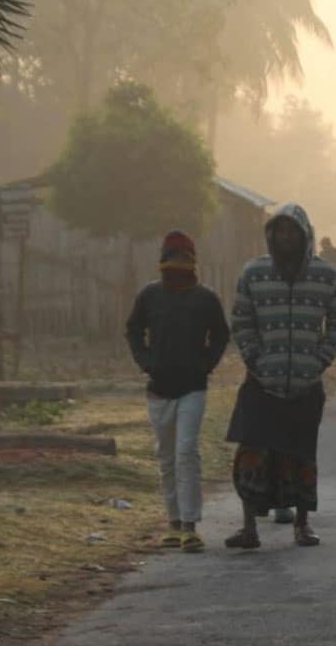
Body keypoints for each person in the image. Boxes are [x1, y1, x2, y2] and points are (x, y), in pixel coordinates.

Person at [225, 204, 336, 549]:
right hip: (260, 382)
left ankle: (302, 524)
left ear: (304, 235)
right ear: (271, 236)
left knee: (301, 456)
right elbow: (241, 321)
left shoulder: (326, 276)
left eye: (292, 232)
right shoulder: (254, 273)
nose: (285, 238)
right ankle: (249, 527)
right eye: (279, 232)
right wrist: (255, 358)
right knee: (251, 453)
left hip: (306, 385)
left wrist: (320, 360)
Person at [124, 230, 230, 554]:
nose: (177, 266)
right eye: (172, 258)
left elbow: (221, 336)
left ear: (193, 263)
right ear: (163, 262)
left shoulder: (206, 298)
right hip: (158, 388)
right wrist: (145, 362)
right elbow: (132, 330)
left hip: (192, 388)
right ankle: (172, 523)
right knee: (165, 457)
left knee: (186, 453)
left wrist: (206, 365)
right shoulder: (149, 296)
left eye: (184, 259)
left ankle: (190, 525)